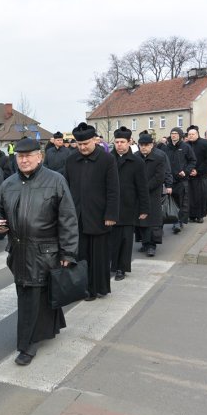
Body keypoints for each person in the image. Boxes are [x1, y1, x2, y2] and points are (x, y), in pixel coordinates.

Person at [0, 138, 78, 366]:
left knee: (34, 296)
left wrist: (68, 253)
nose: (24, 160)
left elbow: (68, 218)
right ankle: (50, 327)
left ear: (40, 156)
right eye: (20, 156)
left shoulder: (56, 181)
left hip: (45, 250)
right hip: (18, 250)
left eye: (29, 155)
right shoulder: (9, 183)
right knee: (30, 294)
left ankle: (27, 345)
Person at [64, 123, 119, 301]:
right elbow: (66, 186)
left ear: (95, 140)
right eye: (79, 144)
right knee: (81, 255)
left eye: (86, 143)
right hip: (78, 216)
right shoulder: (71, 160)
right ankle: (84, 288)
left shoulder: (107, 159)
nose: (83, 147)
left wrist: (111, 214)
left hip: (100, 216)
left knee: (99, 256)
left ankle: (99, 288)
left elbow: (113, 189)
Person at [109, 127, 149, 281]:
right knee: (111, 238)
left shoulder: (137, 161)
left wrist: (144, 208)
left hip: (128, 206)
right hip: (110, 206)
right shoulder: (108, 159)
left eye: (122, 142)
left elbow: (142, 187)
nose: (119, 145)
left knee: (126, 239)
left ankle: (121, 268)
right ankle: (111, 264)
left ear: (129, 142)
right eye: (117, 142)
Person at [135, 134, 167, 257]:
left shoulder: (159, 157)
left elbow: (159, 177)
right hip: (138, 195)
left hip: (152, 194)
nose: (143, 148)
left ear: (151, 145)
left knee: (153, 221)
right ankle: (144, 242)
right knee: (141, 220)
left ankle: (151, 245)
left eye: (146, 145)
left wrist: (144, 188)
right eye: (141, 145)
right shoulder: (135, 157)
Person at [164, 127, 196, 233]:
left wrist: (186, 171)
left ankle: (178, 222)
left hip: (181, 179)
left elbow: (192, 160)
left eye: (176, 133)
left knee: (181, 201)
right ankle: (168, 219)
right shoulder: (166, 148)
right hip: (169, 180)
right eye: (172, 133)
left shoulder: (185, 147)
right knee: (168, 201)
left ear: (180, 135)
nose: (173, 135)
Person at [186, 125, 207, 223]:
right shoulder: (186, 145)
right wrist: (189, 170)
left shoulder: (205, 143)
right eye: (189, 134)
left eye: (193, 134)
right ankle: (191, 215)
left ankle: (200, 215)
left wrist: (198, 170)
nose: (191, 136)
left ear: (197, 134)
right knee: (190, 196)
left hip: (201, 174)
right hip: (189, 174)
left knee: (200, 195)